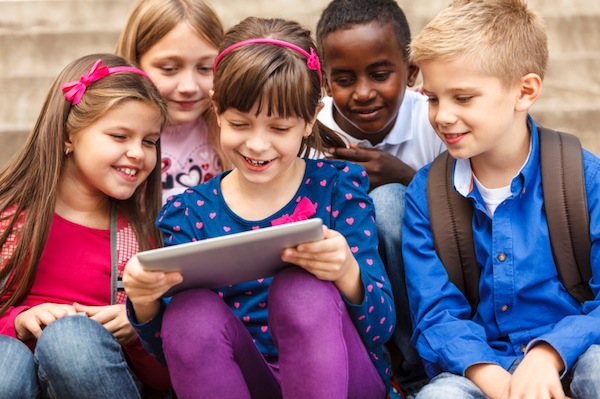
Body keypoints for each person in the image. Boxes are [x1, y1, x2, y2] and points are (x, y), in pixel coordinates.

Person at [123, 16, 395, 399]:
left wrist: (347, 272)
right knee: (189, 314)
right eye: (239, 123)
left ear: (309, 119)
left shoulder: (336, 188)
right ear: (216, 110)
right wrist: (144, 300)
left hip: (346, 377)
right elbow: (177, 351)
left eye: (279, 129)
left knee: (301, 289)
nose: (257, 145)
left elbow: (381, 329)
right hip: (247, 380)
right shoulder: (189, 212)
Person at [403, 0, 600, 398]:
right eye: (433, 98)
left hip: (576, 353)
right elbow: (438, 315)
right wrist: (501, 382)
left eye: (462, 98)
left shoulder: (584, 179)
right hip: (483, 367)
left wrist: (548, 354)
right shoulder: (426, 196)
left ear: (524, 91)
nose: (442, 116)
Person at [0, 54, 171, 398]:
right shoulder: (9, 219)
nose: (138, 153)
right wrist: (16, 322)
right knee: (8, 363)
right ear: (68, 135)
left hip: (97, 378)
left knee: (70, 339)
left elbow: (164, 381)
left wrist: (139, 330)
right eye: (120, 135)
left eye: (149, 141)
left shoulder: (144, 237)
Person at [315, 0, 444, 392]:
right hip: (347, 285)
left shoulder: (434, 121)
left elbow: (467, 217)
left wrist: (408, 178)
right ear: (323, 80)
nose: (364, 93)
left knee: (389, 202)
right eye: (345, 79)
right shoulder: (311, 131)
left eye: (380, 73)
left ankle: (415, 368)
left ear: (410, 72)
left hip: (429, 282)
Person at [116, 0, 226, 203]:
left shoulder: (231, 133)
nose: (188, 87)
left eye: (205, 68)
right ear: (135, 62)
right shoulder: (112, 139)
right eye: (169, 69)